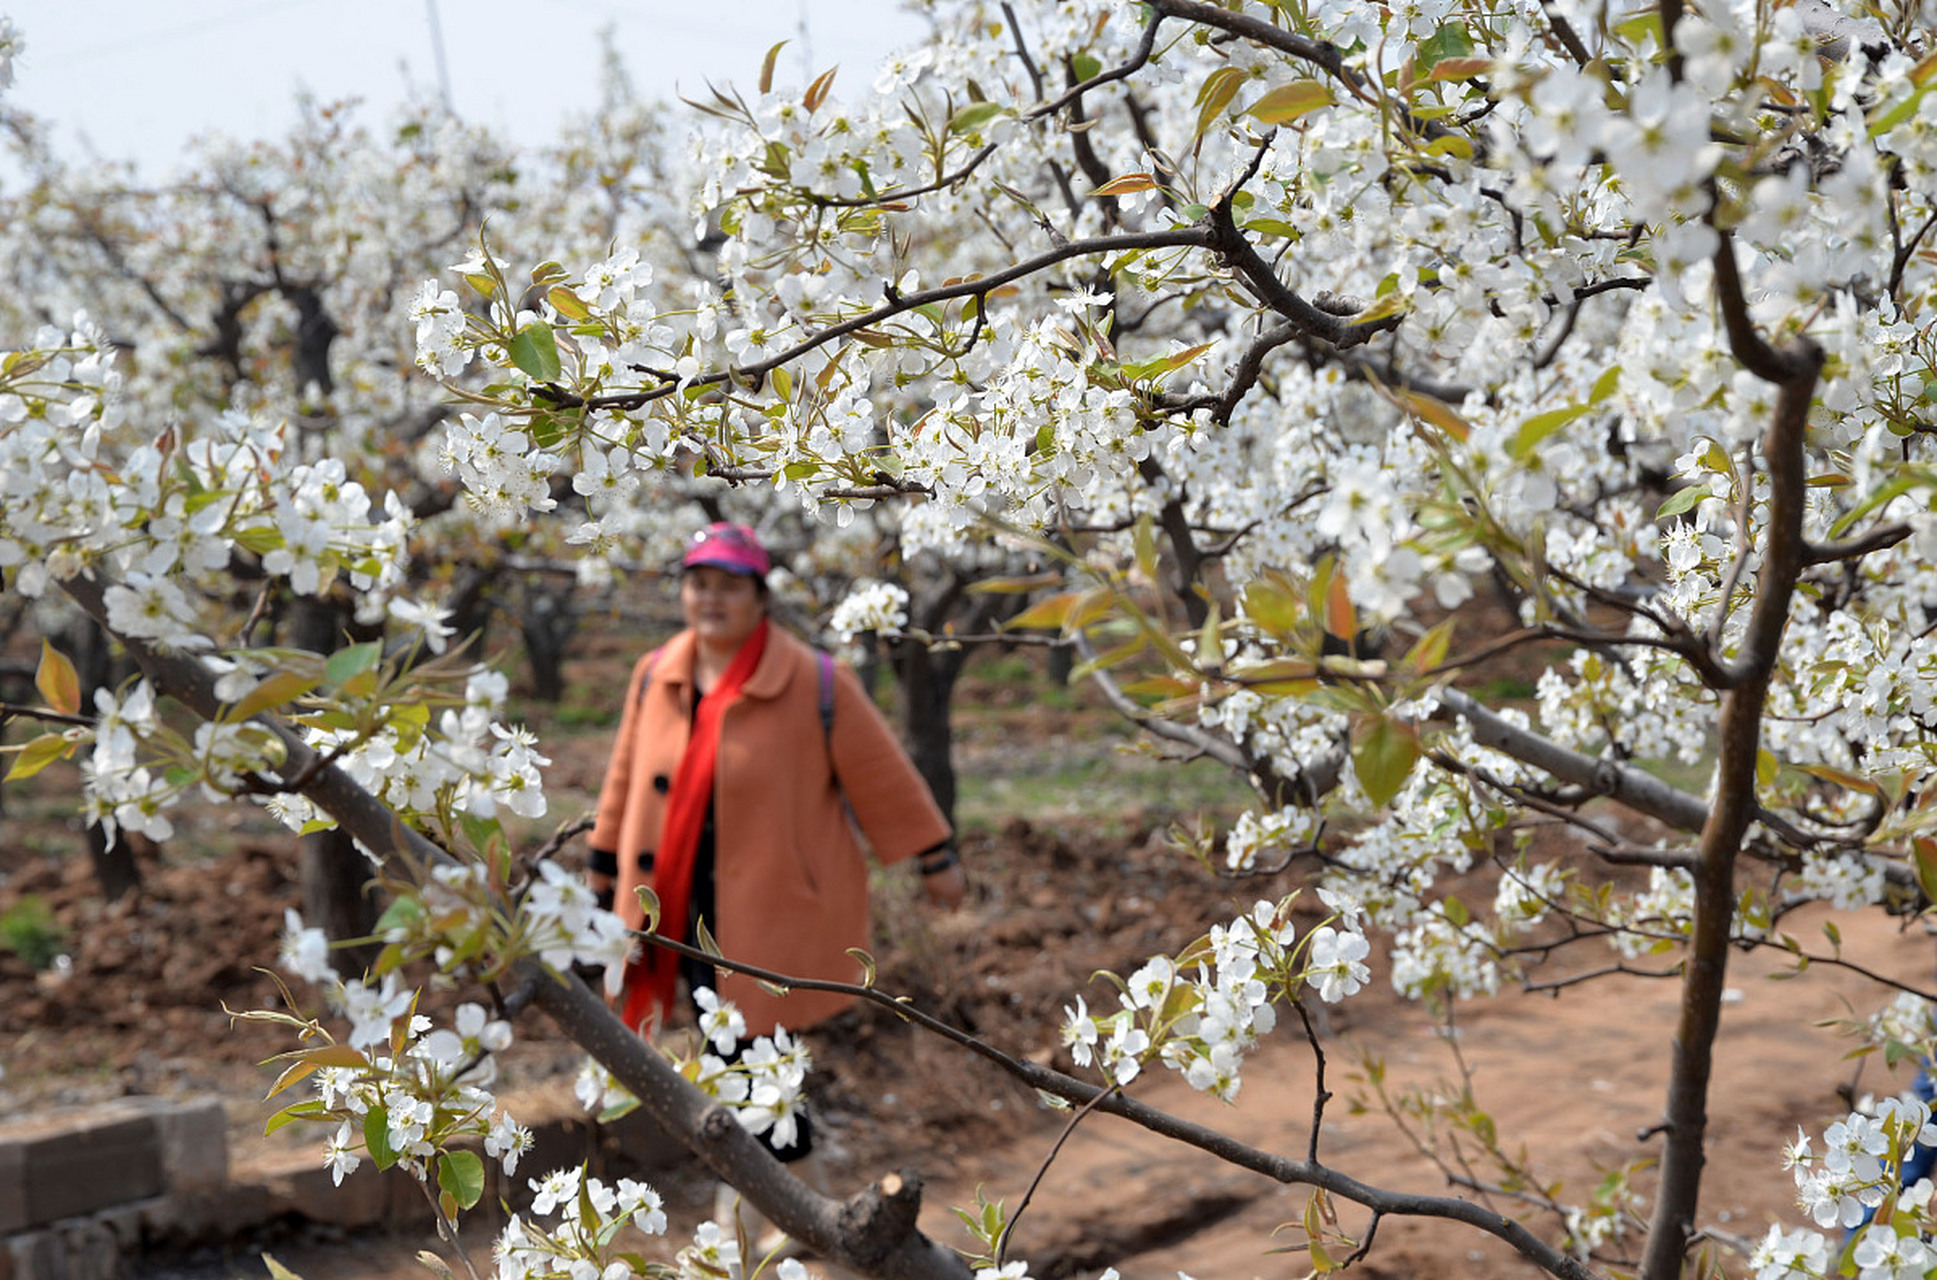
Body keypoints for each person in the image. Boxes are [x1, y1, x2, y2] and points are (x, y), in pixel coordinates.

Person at [585, 521, 965, 1149]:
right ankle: (769, 1190)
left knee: (755, 1045)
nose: (711, 599)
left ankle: (780, 1188)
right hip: (667, 895)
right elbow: (624, 779)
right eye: (699, 583)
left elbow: (881, 778)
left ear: (761, 598)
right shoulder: (656, 674)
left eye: (729, 586)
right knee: (716, 1043)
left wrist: (935, 859)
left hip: (764, 903)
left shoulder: (814, 680)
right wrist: (601, 874)